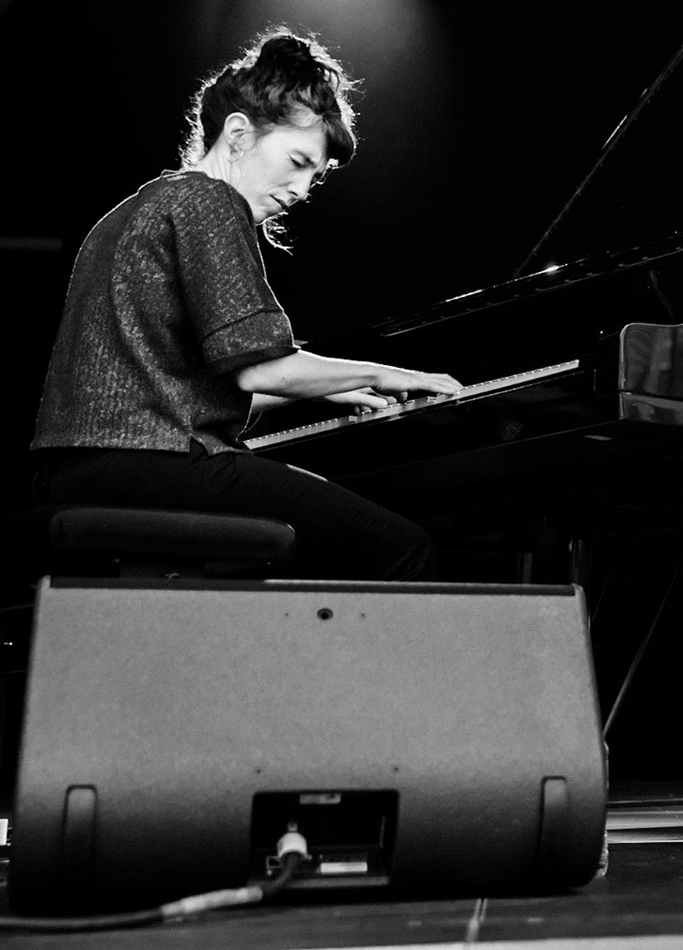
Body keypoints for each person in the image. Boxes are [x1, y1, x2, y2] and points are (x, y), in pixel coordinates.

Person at [29, 29, 461, 580]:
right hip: (149, 462)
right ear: (238, 134)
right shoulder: (210, 201)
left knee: (300, 535)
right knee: (398, 546)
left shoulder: (135, 209)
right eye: (298, 160)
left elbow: (182, 386)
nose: (303, 190)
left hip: (77, 469)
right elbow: (260, 366)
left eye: (316, 175)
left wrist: (328, 388)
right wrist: (388, 373)